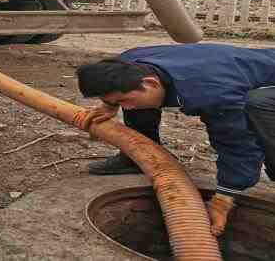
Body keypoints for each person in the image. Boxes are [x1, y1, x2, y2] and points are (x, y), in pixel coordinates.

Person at [74, 44, 275, 236]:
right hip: (231, 70)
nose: (123, 107)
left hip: (265, 85)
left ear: (151, 83)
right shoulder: (128, 62)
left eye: (121, 100)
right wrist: (110, 105)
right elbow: (117, 86)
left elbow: (236, 143)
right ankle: (133, 159)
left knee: (258, 106)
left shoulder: (211, 92)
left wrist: (224, 198)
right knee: (138, 104)